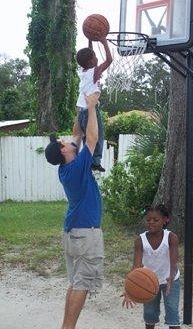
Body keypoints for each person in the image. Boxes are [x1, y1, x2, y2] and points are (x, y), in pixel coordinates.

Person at [45, 93, 104, 329]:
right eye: (63, 142)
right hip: (85, 234)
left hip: (73, 233)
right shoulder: (78, 165)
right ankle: (68, 327)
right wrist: (91, 108)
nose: (67, 140)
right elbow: (91, 137)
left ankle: (65, 327)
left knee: (75, 283)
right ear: (63, 151)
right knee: (83, 284)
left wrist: (81, 108)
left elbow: (78, 134)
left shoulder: (66, 168)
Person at [122, 204, 181, 329]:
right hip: (148, 282)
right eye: (148, 220)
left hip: (170, 279)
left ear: (165, 220)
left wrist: (170, 278)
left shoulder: (171, 237)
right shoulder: (140, 240)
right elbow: (136, 266)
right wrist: (128, 288)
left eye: (155, 220)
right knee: (149, 315)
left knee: (172, 313)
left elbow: (173, 263)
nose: (151, 223)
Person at [75, 36, 112, 172]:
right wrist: (104, 42)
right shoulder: (94, 71)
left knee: (87, 137)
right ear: (91, 62)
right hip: (90, 108)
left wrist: (91, 38)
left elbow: (88, 54)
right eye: (95, 56)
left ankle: (89, 161)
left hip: (81, 110)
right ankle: (94, 162)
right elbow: (109, 60)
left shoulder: (83, 71)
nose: (97, 58)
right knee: (98, 135)